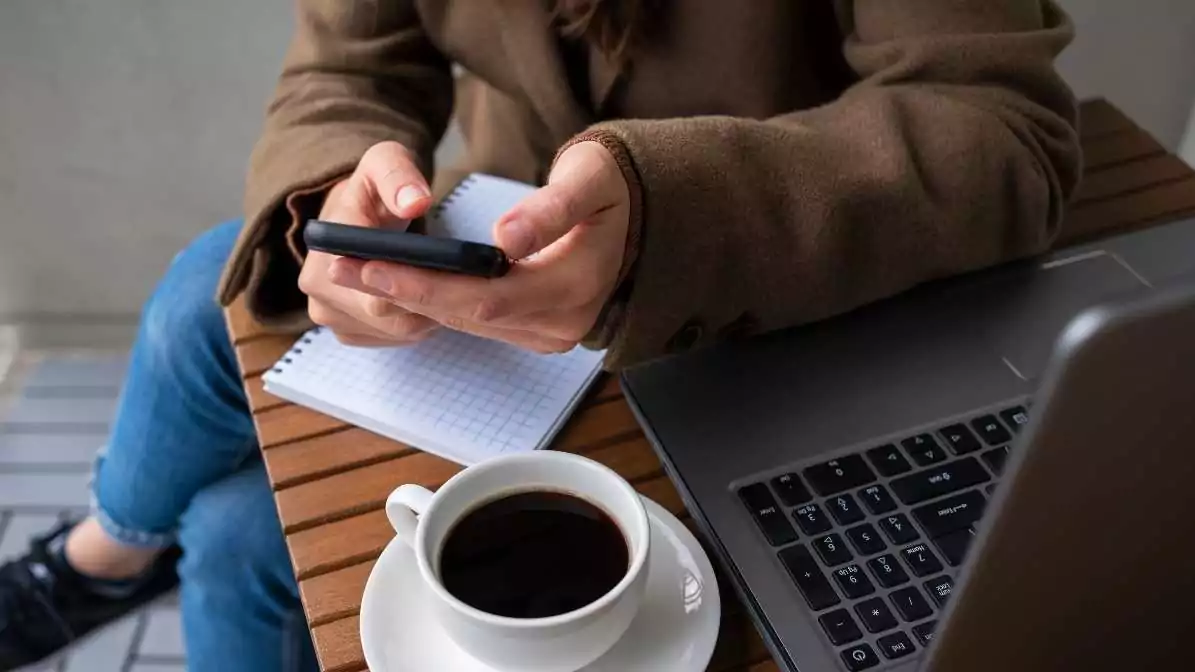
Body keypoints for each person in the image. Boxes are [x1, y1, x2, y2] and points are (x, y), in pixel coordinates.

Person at [0, 0, 1082, 670]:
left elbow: (1000, 129)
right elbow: (346, 72)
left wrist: (676, 218)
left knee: (242, 531)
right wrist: (337, 192)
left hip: (764, 309)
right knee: (232, 467)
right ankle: (115, 551)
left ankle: (105, 558)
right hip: (494, 290)